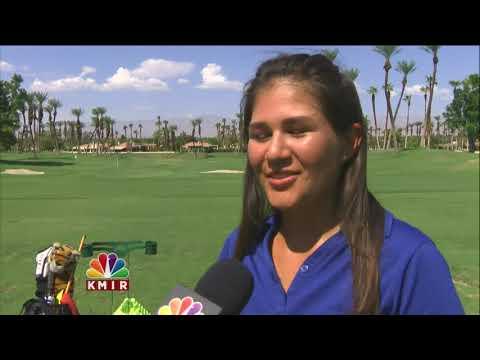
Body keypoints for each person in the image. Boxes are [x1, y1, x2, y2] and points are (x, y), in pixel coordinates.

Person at [218, 53, 464, 315]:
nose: (275, 151)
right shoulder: (239, 248)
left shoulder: (409, 260)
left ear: (350, 141)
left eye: (297, 130)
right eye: (261, 134)